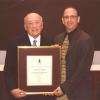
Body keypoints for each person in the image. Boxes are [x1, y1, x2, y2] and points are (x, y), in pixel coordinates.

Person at [4, 12, 56, 100]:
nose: (34, 26)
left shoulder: (51, 43)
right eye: (30, 23)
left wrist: (53, 87)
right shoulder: (14, 43)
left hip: (45, 96)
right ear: (25, 27)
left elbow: (55, 70)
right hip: (23, 95)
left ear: (42, 25)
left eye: (37, 22)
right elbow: (9, 70)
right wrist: (12, 89)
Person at [52, 6, 94, 100]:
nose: (69, 20)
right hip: (59, 91)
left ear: (78, 19)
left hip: (77, 93)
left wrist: (64, 88)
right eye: (66, 17)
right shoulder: (57, 39)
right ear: (62, 20)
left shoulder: (86, 40)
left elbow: (82, 70)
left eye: (72, 17)